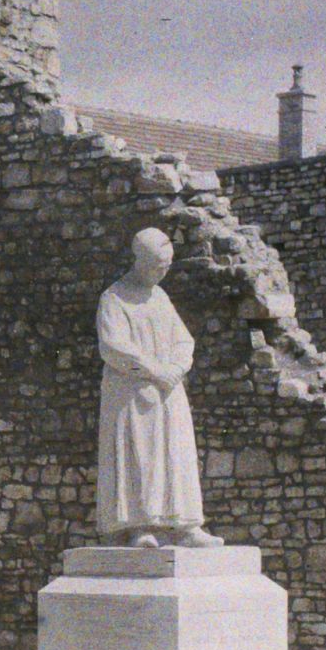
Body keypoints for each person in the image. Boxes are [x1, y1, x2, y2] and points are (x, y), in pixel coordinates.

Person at [95, 227, 222, 549]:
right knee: (141, 457)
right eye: (156, 267)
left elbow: (183, 340)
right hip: (133, 393)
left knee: (176, 456)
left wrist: (176, 368)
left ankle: (185, 526)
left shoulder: (160, 297)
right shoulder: (114, 298)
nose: (162, 273)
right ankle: (140, 526)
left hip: (169, 390)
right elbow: (114, 346)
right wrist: (155, 371)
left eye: (166, 266)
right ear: (139, 261)